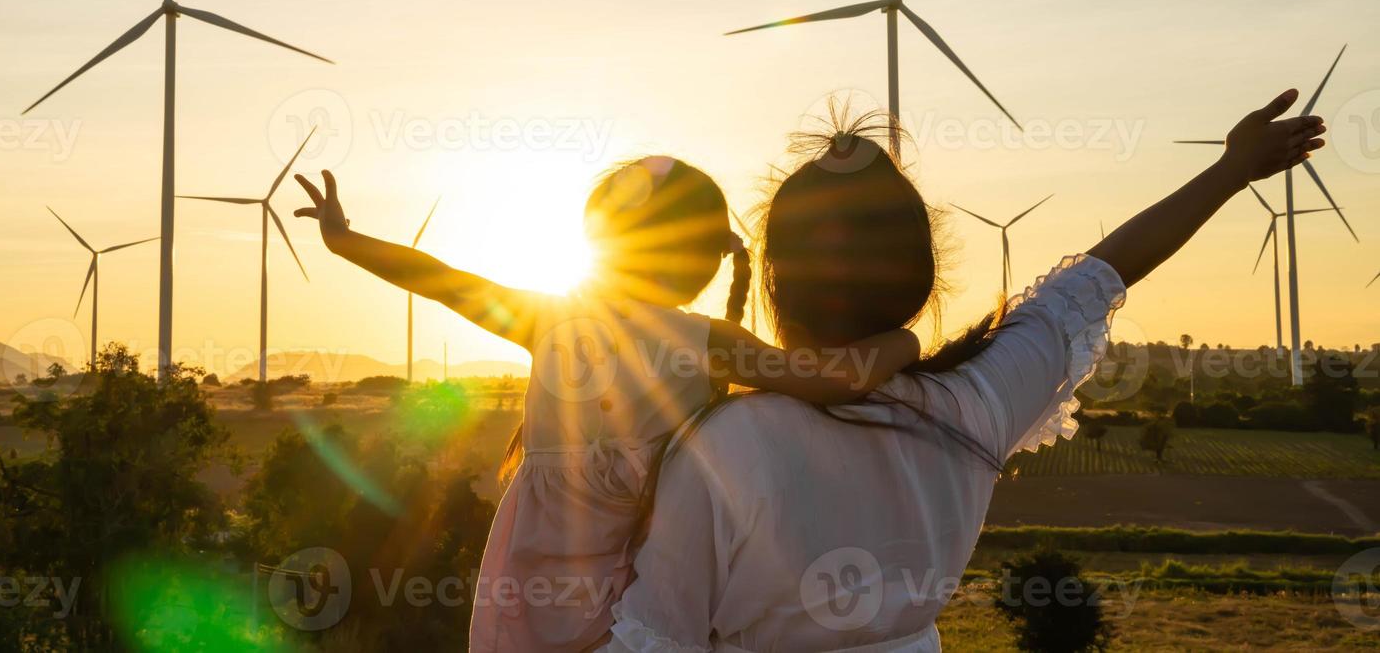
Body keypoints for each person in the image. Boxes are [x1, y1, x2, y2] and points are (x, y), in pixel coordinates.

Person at [605, 91, 1325, 652]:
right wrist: (1233, 170)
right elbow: (1102, 274)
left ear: (775, 280)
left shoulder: (722, 450)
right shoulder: (974, 402)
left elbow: (655, 639)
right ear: (921, 278)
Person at [291, 155, 922, 652]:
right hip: (642, 585)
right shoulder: (708, 343)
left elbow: (438, 280)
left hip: (534, 577)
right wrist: (904, 340)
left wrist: (344, 240)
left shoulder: (548, 318)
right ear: (704, 260)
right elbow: (835, 380)